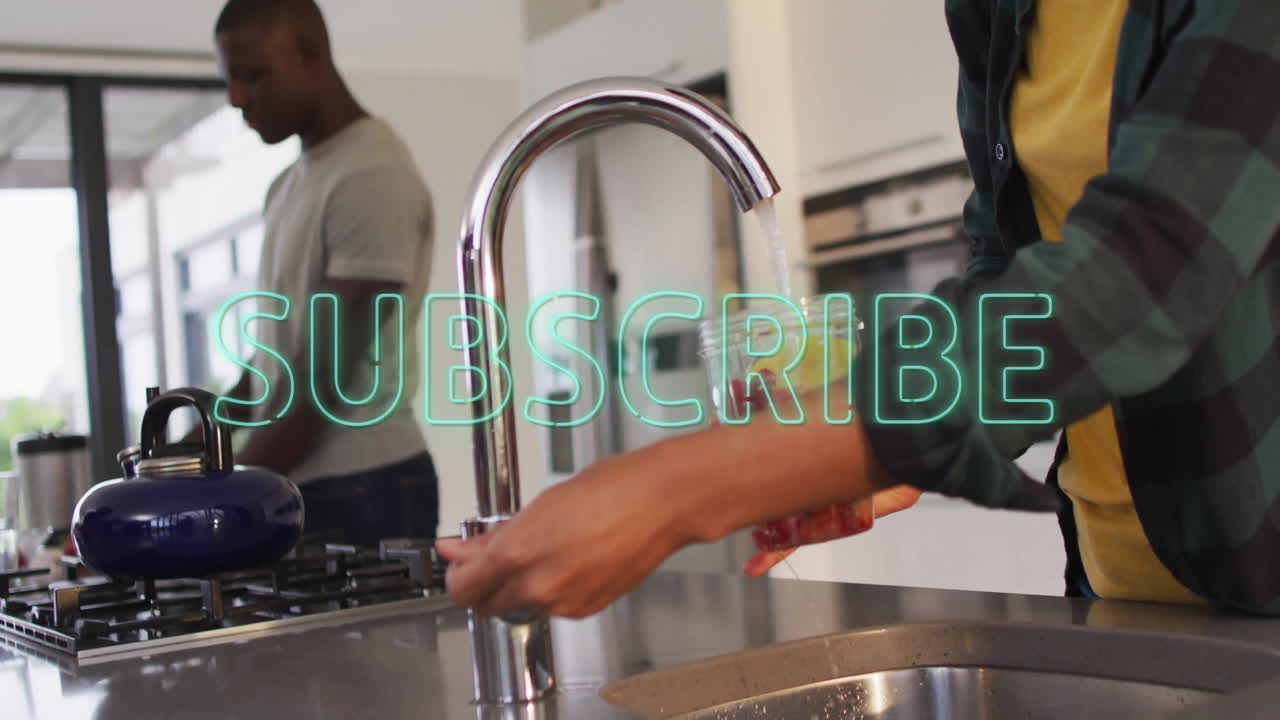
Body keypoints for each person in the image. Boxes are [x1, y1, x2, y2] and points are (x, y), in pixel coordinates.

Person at [436, 0, 1280, 618]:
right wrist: (887, 455)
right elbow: (1010, 269)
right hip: (1117, 590)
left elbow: (1138, 281)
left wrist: (682, 487)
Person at [203, 0, 439, 546]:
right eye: (230, 79)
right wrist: (207, 430)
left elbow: (322, 380)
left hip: (366, 488)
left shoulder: (370, 175)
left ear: (310, 53)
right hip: (309, 483)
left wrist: (223, 487)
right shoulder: (288, 184)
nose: (237, 97)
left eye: (253, 75)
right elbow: (276, 360)